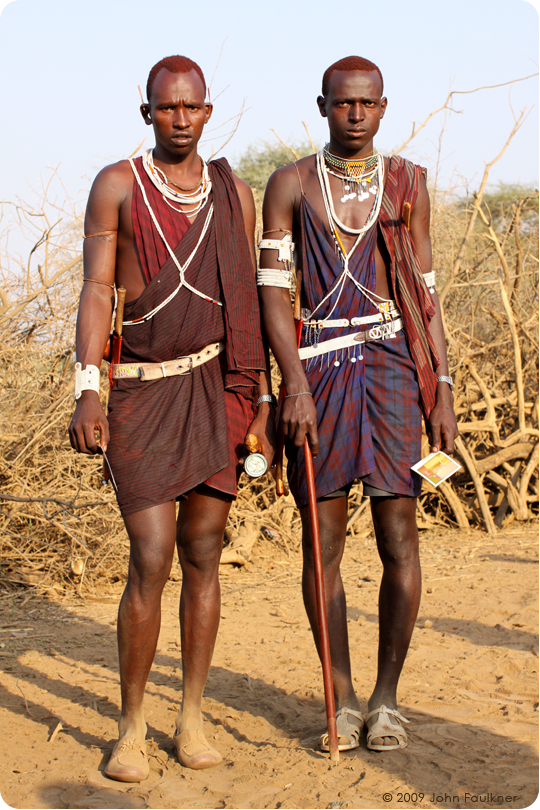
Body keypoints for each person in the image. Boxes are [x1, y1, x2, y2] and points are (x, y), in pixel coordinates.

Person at [69, 55, 273, 781]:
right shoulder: (117, 185)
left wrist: (264, 401)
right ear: (147, 112)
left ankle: (189, 715)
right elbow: (97, 288)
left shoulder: (233, 193)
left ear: (208, 113)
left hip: (219, 387)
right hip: (141, 390)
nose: (180, 119)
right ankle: (130, 726)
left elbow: (248, 300)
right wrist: (86, 385)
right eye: (167, 108)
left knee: (204, 550)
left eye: (192, 109)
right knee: (150, 555)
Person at [258, 55, 458, 752]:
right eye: (343, 103)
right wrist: (295, 387)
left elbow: (423, 292)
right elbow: (272, 299)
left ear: (382, 106)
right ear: (322, 106)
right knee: (324, 545)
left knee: (400, 538)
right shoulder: (287, 185)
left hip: (398, 367)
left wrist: (445, 389)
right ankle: (339, 697)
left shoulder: (408, 184)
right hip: (319, 372)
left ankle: (386, 700)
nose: (355, 113)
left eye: (367, 103)